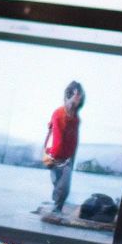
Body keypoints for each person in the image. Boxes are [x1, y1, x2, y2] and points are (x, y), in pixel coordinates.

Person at [42, 82, 86, 213]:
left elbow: (75, 140)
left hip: (67, 158)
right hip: (53, 156)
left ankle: (57, 208)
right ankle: (56, 208)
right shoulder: (58, 114)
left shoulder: (76, 118)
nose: (79, 98)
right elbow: (56, 138)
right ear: (69, 95)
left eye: (80, 95)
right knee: (58, 186)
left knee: (64, 188)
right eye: (77, 94)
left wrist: (72, 159)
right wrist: (51, 157)